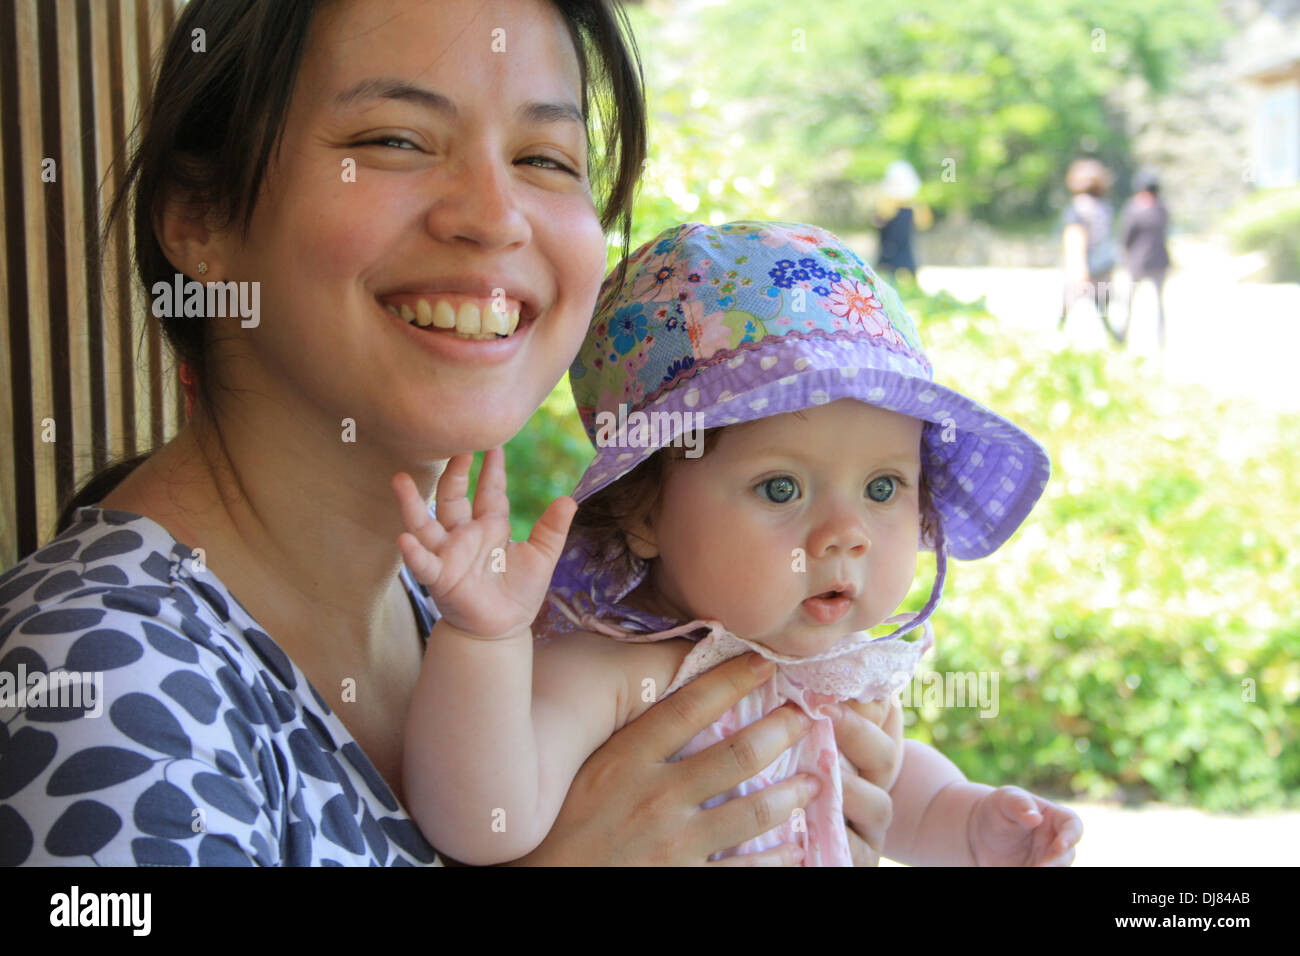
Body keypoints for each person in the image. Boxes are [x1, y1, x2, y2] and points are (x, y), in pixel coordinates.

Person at [0, 0, 903, 867]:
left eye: (545, 159)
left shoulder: (465, 614)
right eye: (394, 141)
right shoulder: (100, 677)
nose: (494, 215)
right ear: (200, 220)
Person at [393, 221, 1083, 866]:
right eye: (781, 488)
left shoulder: (840, 679)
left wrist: (971, 823)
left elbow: (899, 792)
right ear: (643, 514)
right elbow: (484, 821)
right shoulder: (617, 674)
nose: (847, 533)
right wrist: (484, 638)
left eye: (883, 488)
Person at [1059, 158, 1122, 344]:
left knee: (1066, 311)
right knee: (1104, 311)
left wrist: (1077, 269)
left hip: (1085, 266)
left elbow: (1075, 237)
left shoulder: (1078, 208)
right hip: (1104, 267)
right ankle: (1117, 342)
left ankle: (1058, 341)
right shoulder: (1105, 208)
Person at [1119, 169, 1172, 348]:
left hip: (1138, 261)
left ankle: (1123, 336)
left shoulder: (1135, 209)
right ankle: (1160, 338)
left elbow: (1126, 236)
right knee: (1158, 303)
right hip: (1159, 260)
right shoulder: (1162, 209)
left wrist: (1124, 254)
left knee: (1129, 301)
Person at [873, 160, 932, 283]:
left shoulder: (914, 206)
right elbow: (878, 222)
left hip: (904, 251)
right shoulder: (886, 205)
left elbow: (924, 223)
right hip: (889, 252)